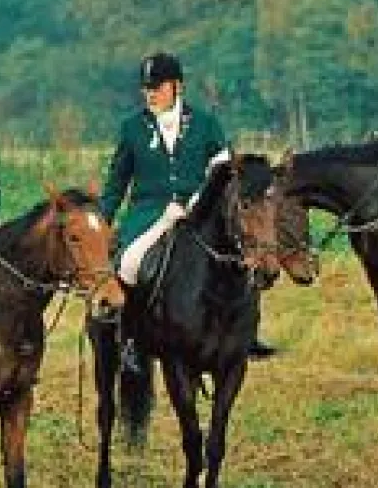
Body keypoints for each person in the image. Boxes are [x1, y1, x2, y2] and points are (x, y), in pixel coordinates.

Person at [99, 52, 276, 365]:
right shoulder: (132, 129)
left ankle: (246, 333)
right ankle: (131, 340)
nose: (150, 93)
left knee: (238, 256)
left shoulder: (206, 125)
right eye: (146, 87)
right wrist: (103, 222)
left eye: (157, 86)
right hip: (148, 216)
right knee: (129, 264)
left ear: (177, 86)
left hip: (199, 213)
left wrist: (197, 200)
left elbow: (224, 175)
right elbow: (117, 181)